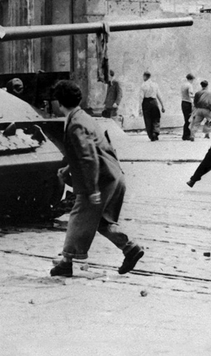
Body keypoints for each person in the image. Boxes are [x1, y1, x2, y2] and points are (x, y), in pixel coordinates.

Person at [49, 80, 144, 277]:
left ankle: (66, 262)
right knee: (99, 221)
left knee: (78, 216)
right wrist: (67, 170)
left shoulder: (75, 124)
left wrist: (92, 190)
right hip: (113, 174)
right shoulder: (84, 117)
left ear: (59, 102)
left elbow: (88, 158)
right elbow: (91, 152)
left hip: (101, 180)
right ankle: (130, 249)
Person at [140, 71, 164, 141]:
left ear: (145, 76)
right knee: (156, 118)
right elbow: (159, 95)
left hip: (146, 102)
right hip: (154, 102)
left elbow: (141, 97)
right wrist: (162, 105)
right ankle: (155, 132)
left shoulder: (143, 85)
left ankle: (151, 135)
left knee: (148, 119)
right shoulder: (155, 84)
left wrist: (140, 108)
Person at [180, 74, 196, 141]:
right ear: (191, 79)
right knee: (189, 120)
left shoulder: (183, 85)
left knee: (186, 119)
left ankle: (185, 135)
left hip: (183, 102)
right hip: (188, 103)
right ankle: (187, 135)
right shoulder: (189, 85)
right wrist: (195, 97)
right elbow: (190, 95)